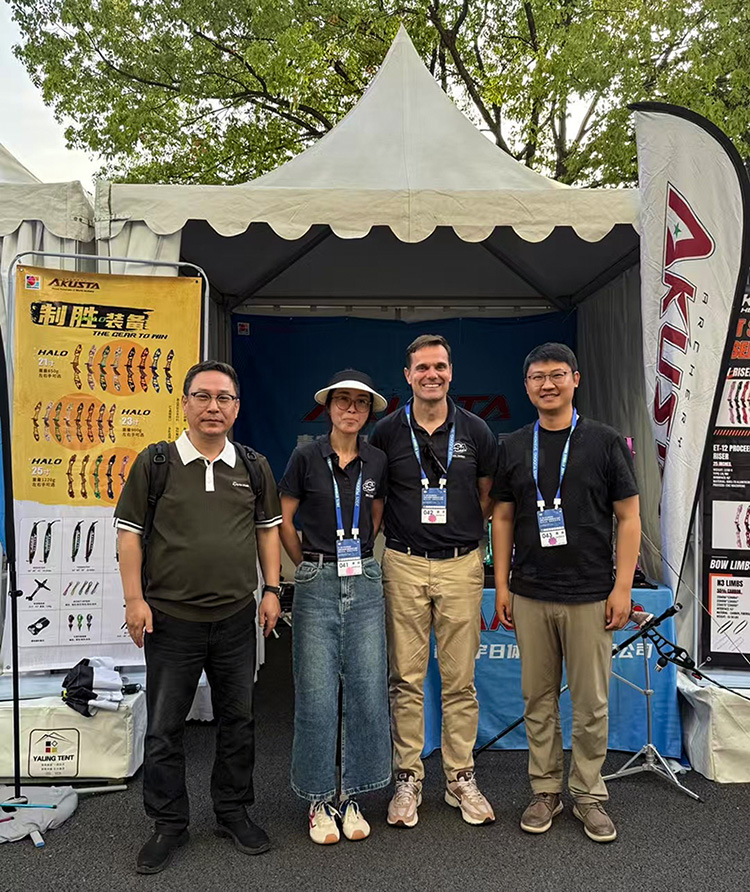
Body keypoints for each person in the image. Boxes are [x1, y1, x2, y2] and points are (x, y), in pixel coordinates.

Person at [115, 360, 283, 874]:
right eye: (203, 396)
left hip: (235, 618)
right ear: (185, 402)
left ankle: (232, 812)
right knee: (165, 728)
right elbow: (129, 535)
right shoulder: (156, 462)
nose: (213, 407)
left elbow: (267, 530)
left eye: (223, 398)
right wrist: (134, 601)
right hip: (171, 620)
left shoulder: (252, 465)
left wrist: (272, 588)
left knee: (239, 721)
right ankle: (168, 824)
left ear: (237, 407)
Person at [491, 342, 640, 843]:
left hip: (591, 593)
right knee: (537, 699)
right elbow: (502, 517)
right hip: (531, 591)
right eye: (537, 377)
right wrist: (502, 584)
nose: (547, 384)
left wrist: (622, 587)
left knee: (591, 703)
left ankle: (589, 793)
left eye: (557, 374)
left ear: (576, 379)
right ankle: (545, 789)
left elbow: (629, 517)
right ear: (526, 386)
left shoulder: (604, 442)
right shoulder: (514, 445)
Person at [370, 335, 497, 828]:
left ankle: (460, 776)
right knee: (405, 679)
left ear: (451, 372)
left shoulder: (476, 430)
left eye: (440, 366)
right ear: (407, 375)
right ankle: (408, 776)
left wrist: (461, 534)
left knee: (460, 680)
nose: (432, 375)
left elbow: (486, 496)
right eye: (422, 367)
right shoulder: (386, 431)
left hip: (461, 564)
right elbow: (376, 499)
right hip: (403, 562)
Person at [278, 370, 391, 845]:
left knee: (367, 688)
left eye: (360, 403)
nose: (351, 410)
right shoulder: (306, 456)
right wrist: (305, 564)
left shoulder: (376, 459)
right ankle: (319, 799)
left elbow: (376, 515)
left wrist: (358, 556)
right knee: (317, 693)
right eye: (342, 401)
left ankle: (354, 795)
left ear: (368, 412)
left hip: (363, 579)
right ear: (328, 408)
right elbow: (285, 518)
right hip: (317, 578)